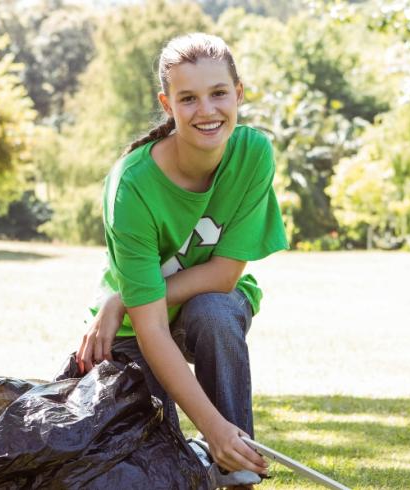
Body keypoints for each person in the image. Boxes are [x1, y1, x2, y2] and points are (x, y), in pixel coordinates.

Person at [74, 32, 288, 483]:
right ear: (167, 104)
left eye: (218, 93)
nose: (206, 110)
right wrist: (211, 428)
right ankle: (206, 452)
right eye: (188, 98)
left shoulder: (253, 154)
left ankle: (238, 469)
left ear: (239, 94)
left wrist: (122, 299)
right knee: (156, 469)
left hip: (194, 304)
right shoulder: (131, 186)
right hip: (136, 328)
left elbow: (224, 275)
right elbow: (151, 326)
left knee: (214, 311)